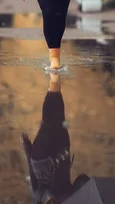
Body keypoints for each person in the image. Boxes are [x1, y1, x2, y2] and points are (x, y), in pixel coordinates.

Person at [21, 73, 88, 203]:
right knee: (54, 115)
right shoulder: (70, 199)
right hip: (49, 156)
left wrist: (27, 150)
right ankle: (54, 75)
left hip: (46, 159)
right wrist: (28, 151)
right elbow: (82, 180)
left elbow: (37, 186)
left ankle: (54, 73)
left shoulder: (65, 199)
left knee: (51, 117)